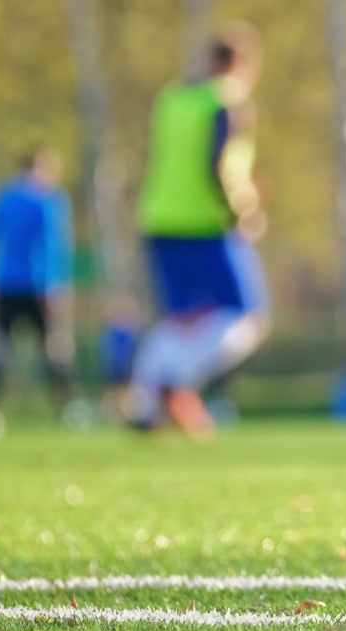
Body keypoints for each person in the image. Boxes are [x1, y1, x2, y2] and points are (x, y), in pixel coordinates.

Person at [126, 23, 269, 440]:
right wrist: (240, 211)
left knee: (184, 318)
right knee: (246, 317)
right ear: (242, 64)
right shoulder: (228, 99)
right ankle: (174, 384)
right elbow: (217, 161)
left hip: (159, 219)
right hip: (206, 223)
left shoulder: (172, 99)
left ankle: (145, 399)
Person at [0, 148, 77, 418]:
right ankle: (67, 405)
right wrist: (54, 285)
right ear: (42, 167)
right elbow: (52, 246)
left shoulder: (3, 197)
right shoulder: (48, 200)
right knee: (55, 344)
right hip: (38, 285)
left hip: (4, 283)